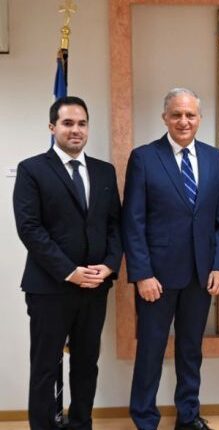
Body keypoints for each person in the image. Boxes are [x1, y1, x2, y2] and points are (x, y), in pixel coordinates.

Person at [122, 88, 219, 430]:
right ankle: (145, 419)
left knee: (190, 351)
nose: (184, 121)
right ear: (165, 118)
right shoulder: (144, 158)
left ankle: (188, 416)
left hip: (201, 275)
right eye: (177, 115)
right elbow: (133, 222)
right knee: (151, 352)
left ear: (199, 118)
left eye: (190, 115)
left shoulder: (214, 158)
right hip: (156, 279)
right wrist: (142, 274)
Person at [13, 96, 122, 430]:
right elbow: (30, 229)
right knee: (45, 366)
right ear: (52, 127)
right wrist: (69, 272)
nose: (76, 130)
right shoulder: (32, 169)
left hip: (94, 288)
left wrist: (109, 265)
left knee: (86, 364)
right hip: (50, 288)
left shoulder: (104, 171)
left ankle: (80, 424)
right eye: (68, 123)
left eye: (82, 123)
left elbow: (115, 226)